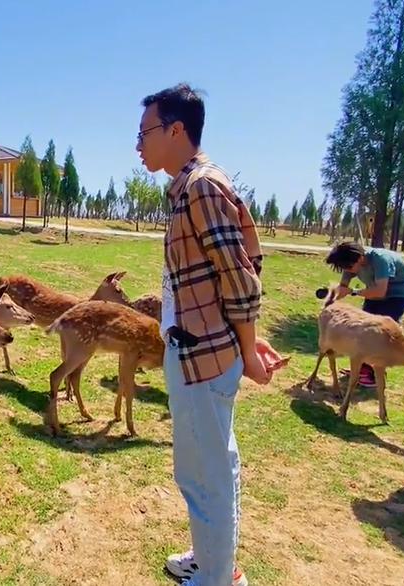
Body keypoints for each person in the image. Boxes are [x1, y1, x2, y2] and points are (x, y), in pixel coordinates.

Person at [137, 83, 285, 586]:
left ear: (176, 130)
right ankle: (212, 560)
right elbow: (237, 268)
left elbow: (240, 277)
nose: (139, 145)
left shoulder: (201, 186)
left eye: (145, 132)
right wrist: (247, 339)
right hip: (197, 347)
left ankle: (218, 577)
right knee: (209, 465)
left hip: (202, 355)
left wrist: (248, 347)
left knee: (205, 475)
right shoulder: (189, 187)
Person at [325, 241, 404, 387]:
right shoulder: (351, 261)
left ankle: (374, 375)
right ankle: (362, 367)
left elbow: (380, 292)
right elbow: (344, 285)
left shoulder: (380, 260)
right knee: (363, 329)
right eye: (344, 268)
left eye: (349, 267)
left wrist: (353, 292)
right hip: (375, 293)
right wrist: (336, 293)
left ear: (360, 258)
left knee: (378, 334)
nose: (348, 270)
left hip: (398, 296)